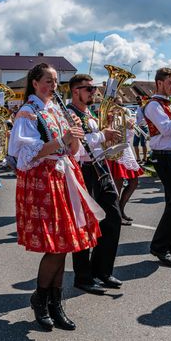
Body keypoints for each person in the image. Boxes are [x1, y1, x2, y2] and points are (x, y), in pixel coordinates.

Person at [8, 63, 103, 331]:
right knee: (55, 246)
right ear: (35, 83)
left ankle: (55, 302)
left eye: (55, 81)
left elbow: (73, 151)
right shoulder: (28, 112)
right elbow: (26, 154)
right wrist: (62, 140)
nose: (53, 86)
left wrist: (74, 135)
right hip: (43, 181)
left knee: (65, 243)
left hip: (64, 177)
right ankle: (40, 299)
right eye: (48, 81)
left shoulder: (57, 110)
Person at [67, 74, 123, 291]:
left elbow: (96, 140)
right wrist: (101, 136)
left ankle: (103, 271)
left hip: (100, 169)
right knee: (86, 225)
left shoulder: (89, 114)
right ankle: (83, 277)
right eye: (88, 89)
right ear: (75, 91)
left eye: (93, 88)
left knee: (113, 219)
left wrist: (110, 140)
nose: (93, 92)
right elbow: (77, 147)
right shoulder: (69, 115)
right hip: (83, 172)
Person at [144, 67, 171, 267]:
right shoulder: (153, 105)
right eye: (170, 83)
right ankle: (160, 246)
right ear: (159, 83)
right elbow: (166, 129)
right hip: (164, 157)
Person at [107, 96, 144, 226]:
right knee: (118, 185)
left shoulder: (122, 117)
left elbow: (127, 138)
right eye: (118, 104)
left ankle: (121, 210)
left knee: (134, 182)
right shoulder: (108, 119)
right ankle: (115, 215)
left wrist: (129, 128)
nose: (121, 108)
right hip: (116, 152)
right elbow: (113, 138)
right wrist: (124, 126)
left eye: (122, 105)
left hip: (126, 152)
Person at [133, 96, 148, 163]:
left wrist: (142, 124)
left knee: (143, 144)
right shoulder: (138, 107)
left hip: (143, 127)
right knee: (135, 143)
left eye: (139, 99)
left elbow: (147, 118)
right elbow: (137, 118)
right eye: (137, 100)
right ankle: (138, 158)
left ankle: (145, 158)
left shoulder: (144, 107)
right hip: (137, 128)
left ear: (142, 99)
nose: (138, 101)